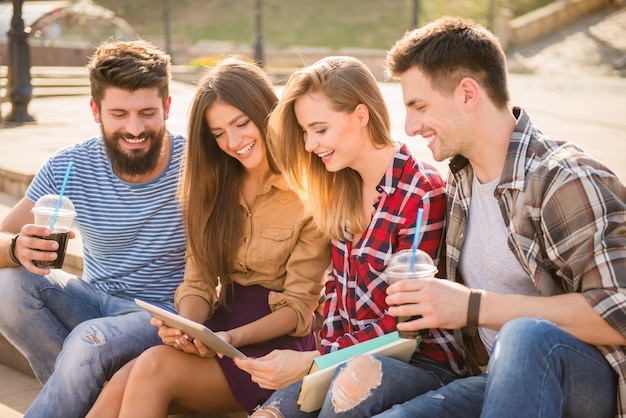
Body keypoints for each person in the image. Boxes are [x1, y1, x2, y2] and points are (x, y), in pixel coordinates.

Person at [372, 16, 625, 417]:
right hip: (492, 381)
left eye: (419, 107)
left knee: (524, 336)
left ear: (468, 93)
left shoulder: (563, 178)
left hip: (583, 386)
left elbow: (618, 314)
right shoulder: (461, 183)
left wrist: (473, 306)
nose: (411, 126)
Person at [85, 56, 331, 417]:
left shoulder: (307, 191)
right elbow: (197, 282)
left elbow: (298, 308)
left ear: (266, 113)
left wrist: (230, 339)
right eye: (218, 134)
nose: (233, 141)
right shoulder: (212, 187)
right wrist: (187, 328)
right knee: (125, 378)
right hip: (217, 331)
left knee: (152, 367)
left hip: (270, 346)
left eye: (241, 124)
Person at [237, 55, 470, 418]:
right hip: (340, 362)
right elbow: (334, 303)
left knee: (352, 381)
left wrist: (314, 360)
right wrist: (321, 361)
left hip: (419, 366)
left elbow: (405, 327)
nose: (311, 144)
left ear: (360, 115)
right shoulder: (339, 188)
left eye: (320, 129)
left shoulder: (421, 192)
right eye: (305, 132)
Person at [0, 39, 187, 417]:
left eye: (147, 113)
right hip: (93, 300)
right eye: (119, 113)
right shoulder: (69, 165)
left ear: (167, 107)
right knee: (6, 286)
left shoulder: (196, 162)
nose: (134, 129)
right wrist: (17, 247)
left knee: (91, 341)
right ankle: (93, 400)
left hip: (162, 315)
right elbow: (4, 236)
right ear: (95, 110)